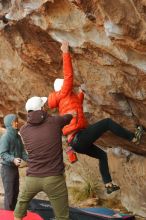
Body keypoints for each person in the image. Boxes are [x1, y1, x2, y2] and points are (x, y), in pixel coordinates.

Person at [48, 41, 143, 194]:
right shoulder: (63, 93)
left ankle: (108, 185)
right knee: (107, 123)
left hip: (77, 143)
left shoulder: (65, 100)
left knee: (102, 156)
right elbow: (68, 74)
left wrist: (82, 93)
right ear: (63, 87)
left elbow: (77, 105)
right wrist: (65, 52)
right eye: (66, 85)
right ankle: (133, 138)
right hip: (78, 138)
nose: (69, 85)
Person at [14, 96, 73, 220]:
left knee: (19, 209)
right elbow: (69, 117)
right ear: (42, 108)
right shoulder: (55, 121)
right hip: (54, 179)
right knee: (62, 216)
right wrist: (72, 113)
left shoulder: (24, 130)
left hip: (32, 178)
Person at [0, 114, 28, 210]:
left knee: (15, 193)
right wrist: (13, 159)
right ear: (9, 124)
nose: (16, 123)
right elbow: (2, 154)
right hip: (7, 169)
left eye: (16, 121)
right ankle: (8, 216)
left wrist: (31, 160)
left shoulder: (18, 137)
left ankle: (14, 215)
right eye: (14, 122)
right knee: (9, 195)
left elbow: (23, 152)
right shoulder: (5, 137)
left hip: (14, 169)